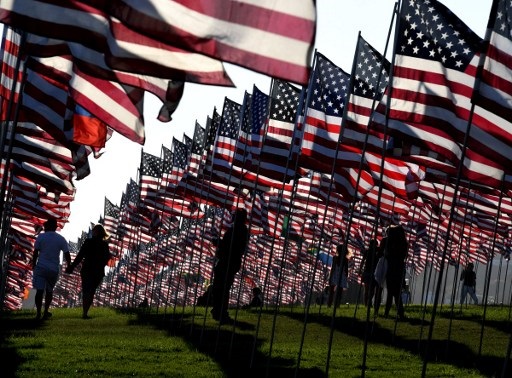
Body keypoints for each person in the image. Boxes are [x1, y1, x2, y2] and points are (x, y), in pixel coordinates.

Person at [210, 208, 249, 324]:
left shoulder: (238, 230)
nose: (232, 217)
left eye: (235, 215)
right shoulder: (239, 230)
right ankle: (218, 310)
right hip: (230, 261)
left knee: (221, 287)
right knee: (221, 288)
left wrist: (218, 243)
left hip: (229, 261)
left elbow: (230, 247)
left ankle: (220, 311)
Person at [66, 224, 111, 319]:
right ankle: (85, 312)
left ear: (97, 232)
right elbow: (107, 258)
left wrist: (72, 266)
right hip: (97, 271)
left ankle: (85, 312)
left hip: (88, 270)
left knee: (87, 291)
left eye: (94, 230)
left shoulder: (89, 242)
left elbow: (80, 256)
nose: (93, 232)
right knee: (91, 291)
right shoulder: (104, 245)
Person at [32, 218, 71, 320]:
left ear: (46, 226)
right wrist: (69, 266)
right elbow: (67, 254)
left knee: (39, 291)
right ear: (55, 227)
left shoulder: (41, 237)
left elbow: (35, 252)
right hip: (53, 268)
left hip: (41, 266)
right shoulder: (61, 239)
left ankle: (38, 313)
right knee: (49, 291)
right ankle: (45, 312)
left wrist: (33, 265)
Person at [382, 224, 409, 320]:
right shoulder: (404, 243)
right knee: (397, 293)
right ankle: (400, 313)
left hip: (392, 268)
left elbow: (386, 254)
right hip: (400, 269)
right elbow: (405, 256)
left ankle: (388, 312)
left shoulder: (390, 243)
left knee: (391, 292)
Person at [327, 244, 349, 308]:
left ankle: (335, 305)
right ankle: (332, 304)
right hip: (337, 274)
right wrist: (331, 277)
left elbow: (346, 269)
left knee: (337, 292)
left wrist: (345, 276)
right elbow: (333, 268)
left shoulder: (345, 259)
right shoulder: (336, 258)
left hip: (340, 275)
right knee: (334, 291)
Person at [361, 238, 379, 307]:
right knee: (367, 289)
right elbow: (363, 261)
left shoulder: (377, 251)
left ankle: (369, 302)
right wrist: (360, 270)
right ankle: (366, 303)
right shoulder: (367, 251)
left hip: (374, 272)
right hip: (367, 271)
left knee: (372, 289)